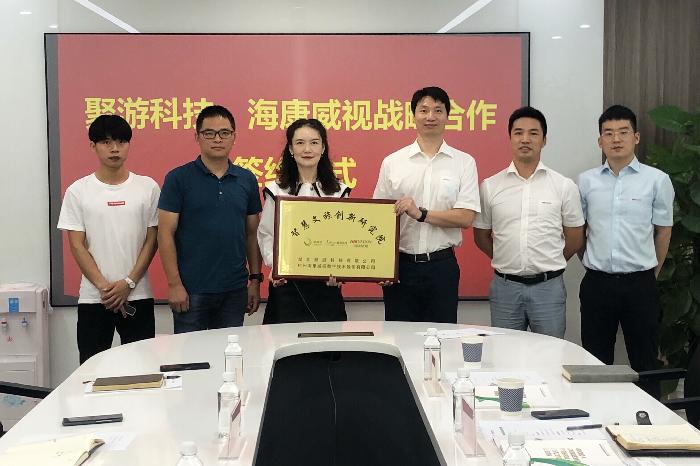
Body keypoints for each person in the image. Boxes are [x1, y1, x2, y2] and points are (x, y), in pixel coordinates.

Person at [577, 105, 674, 399]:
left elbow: (663, 231)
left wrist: (651, 272)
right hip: (598, 284)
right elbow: (579, 230)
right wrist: (590, 263)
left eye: (623, 132)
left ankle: (649, 422)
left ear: (636, 137)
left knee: (645, 361)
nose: (616, 139)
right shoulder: (586, 181)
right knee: (595, 362)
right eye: (608, 133)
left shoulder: (657, 180)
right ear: (600, 141)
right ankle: (598, 417)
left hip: (640, 284)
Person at [473, 107, 584, 338]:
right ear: (510, 139)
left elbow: (575, 238)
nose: (525, 139)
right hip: (505, 288)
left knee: (550, 353)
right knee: (505, 353)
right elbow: (481, 237)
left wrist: (548, 260)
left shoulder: (563, 186)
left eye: (533, 133)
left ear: (544, 140)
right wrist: (507, 258)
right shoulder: (490, 186)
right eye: (518, 133)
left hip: (548, 288)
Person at [57, 114, 159, 364]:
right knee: (91, 370)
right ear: (93, 146)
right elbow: (76, 245)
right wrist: (106, 289)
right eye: (106, 142)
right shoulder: (78, 191)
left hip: (137, 295)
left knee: (142, 369)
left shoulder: (148, 187)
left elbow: (152, 239)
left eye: (121, 142)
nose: (115, 148)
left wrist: (129, 283)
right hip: (95, 297)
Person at [373, 86, 480, 323]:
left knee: (443, 337)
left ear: (447, 116)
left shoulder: (464, 163)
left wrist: (421, 214)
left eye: (438, 110)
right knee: (399, 337)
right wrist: (382, 265)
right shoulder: (393, 162)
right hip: (401, 268)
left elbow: (465, 218)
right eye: (424, 110)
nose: (430, 116)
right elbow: (379, 219)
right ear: (413, 116)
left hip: (442, 267)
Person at [158, 105, 263, 333]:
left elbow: (252, 234)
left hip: (234, 290)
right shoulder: (178, 178)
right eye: (209, 133)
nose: (217, 139)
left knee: (229, 352)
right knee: (190, 354)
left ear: (234, 137)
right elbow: (165, 234)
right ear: (197, 137)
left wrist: (255, 280)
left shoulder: (247, 179)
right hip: (191, 290)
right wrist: (174, 284)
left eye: (224, 133)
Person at [257, 119, 350, 323]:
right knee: (283, 342)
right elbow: (266, 234)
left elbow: (344, 239)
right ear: (290, 148)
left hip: (327, 287)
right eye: (300, 143)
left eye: (314, 143)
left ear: (323, 148)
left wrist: (340, 269)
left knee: (328, 342)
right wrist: (277, 266)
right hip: (286, 286)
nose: (307, 149)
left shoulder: (338, 192)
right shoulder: (276, 190)